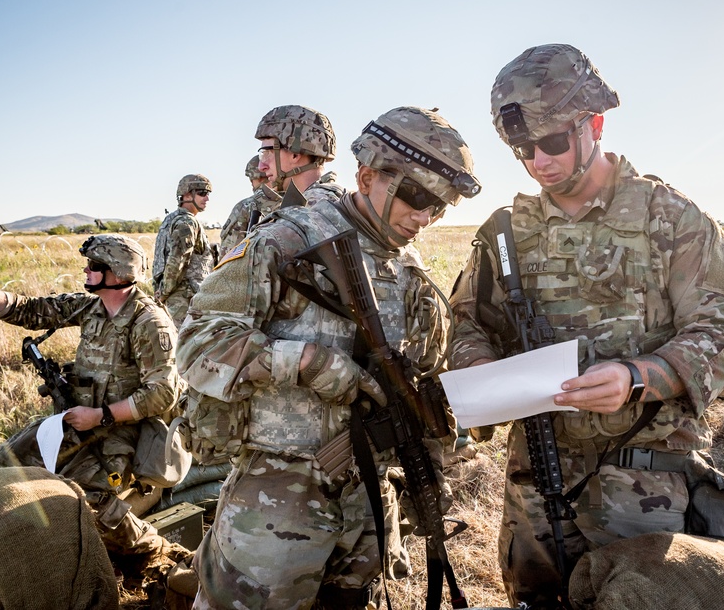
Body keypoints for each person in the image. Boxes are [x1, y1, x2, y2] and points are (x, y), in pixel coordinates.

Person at [448, 43, 724, 608]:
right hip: (534, 480)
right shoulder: (505, 232)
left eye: (554, 142)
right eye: (522, 150)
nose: (540, 161)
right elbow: (467, 322)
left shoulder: (671, 219)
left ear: (595, 123)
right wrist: (482, 370)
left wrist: (642, 377)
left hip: (642, 481)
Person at [176, 106, 481, 610]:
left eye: (440, 206)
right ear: (366, 175)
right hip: (278, 503)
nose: (424, 217)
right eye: (416, 197)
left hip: (368, 500)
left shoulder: (408, 267)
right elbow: (198, 342)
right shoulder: (287, 238)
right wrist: (310, 364)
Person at [0, 235, 185, 568]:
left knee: (88, 502)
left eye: (95, 266)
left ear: (118, 272)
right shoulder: (92, 306)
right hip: (78, 418)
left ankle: (156, 553)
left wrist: (100, 416)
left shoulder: (149, 323)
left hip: (123, 429)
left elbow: (163, 393)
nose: (86, 271)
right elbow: (29, 309)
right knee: (10, 459)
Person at [153, 174, 215, 327]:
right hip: (185, 298)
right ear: (186, 195)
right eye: (202, 193)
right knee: (188, 345)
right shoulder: (186, 222)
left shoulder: (170, 219)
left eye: (208, 194)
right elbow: (177, 261)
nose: (207, 198)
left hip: (176, 295)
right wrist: (163, 293)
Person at [255, 104, 345, 203]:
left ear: (295, 154)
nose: (261, 167)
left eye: (267, 153)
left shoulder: (311, 210)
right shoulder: (336, 201)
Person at [218, 155, 280, 259]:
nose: (251, 183)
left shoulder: (245, 207)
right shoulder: (300, 201)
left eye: (252, 178)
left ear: (260, 178)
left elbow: (228, 255)